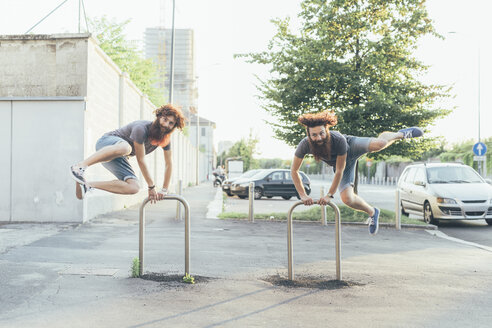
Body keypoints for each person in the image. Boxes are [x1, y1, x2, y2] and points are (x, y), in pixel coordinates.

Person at [291, 110, 423, 235]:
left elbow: (339, 171)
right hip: (344, 164)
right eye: (314, 135)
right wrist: (302, 195)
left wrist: (329, 195)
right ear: (309, 135)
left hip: (351, 146)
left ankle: (400, 134)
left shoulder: (338, 140)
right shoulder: (305, 144)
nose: (319, 137)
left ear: (327, 131)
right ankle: (372, 212)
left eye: (322, 133)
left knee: (380, 144)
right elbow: (294, 170)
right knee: (347, 199)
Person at [70, 104, 185, 203]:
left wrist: (164, 190)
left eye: (171, 123)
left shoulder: (164, 139)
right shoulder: (141, 129)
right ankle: (79, 167)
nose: (166, 125)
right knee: (126, 148)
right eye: (165, 119)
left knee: (134, 187)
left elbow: (168, 164)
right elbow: (141, 160)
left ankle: (86, 185)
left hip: (119, 156)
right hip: (107, 143)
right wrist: (151, 186)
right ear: (159, 117)